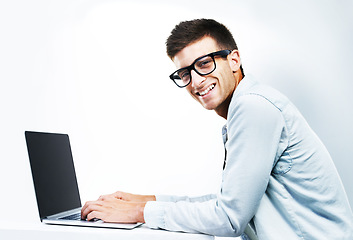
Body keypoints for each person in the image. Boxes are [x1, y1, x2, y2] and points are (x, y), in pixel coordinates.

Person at [81, 19, 353, 239]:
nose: (196, 81)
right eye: (185, 72)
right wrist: (146, 199)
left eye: (204, 63)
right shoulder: (247, 108)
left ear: (234, 60)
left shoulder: (253, 107)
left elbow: (229, 218)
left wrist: (139, 212)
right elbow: (231, 202)